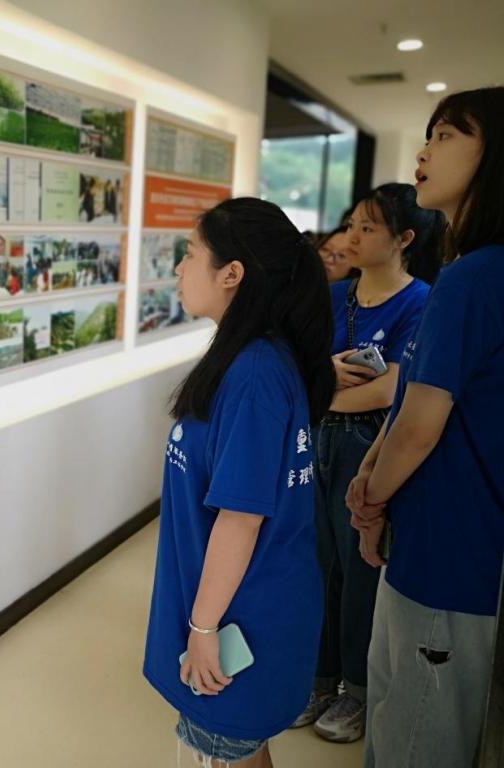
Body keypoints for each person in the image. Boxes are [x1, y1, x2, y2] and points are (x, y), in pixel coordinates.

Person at [143, 198, 335, 767]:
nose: (179, 267)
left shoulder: (253, 372)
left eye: (190, 253)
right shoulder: (251, 360)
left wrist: (203, 628)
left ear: (231, 273)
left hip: (241, 615)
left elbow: (241, 518)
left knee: (227, 752)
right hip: (244, 604)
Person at [347, 86, 504, 768]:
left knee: (413, 740)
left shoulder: (474, 279)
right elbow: (412, 397)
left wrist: (370, 498)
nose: (425, 151)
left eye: (447, 135)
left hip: (450, 554)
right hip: (440, 541)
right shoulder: (467, 274)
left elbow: (418, 428)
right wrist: (372, 474)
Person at [294, 183, 444, 742]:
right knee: (315, 563)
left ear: (403, 239)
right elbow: (299, 365)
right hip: (314, 442)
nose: (351, 236)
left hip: (367, 444)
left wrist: (319, 391)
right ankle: (318, 679)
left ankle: (356, 689)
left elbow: (389, 392)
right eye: (352, 224)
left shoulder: (422, 301)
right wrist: (319, 385)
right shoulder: (334, 296)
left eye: (367, 227)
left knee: (361, 571)